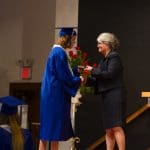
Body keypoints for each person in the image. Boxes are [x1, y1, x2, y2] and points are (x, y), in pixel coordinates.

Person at [39, 27, 84, 150]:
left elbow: (63, 72)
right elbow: (64, 76)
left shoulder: (56, 51)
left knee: (50, 131)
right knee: (50, 130)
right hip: (55, 96)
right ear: (67, 38)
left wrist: (75, 71)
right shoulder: (59, 53)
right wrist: (78, 79)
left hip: (50, 95)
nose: (74, 43)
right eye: (73, 40)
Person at [85, 32, 126, 150]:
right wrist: (86, 77)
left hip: (115, 95)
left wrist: (92, 70)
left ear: (107, 44)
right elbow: (99, 79)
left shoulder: (115, 57)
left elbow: (110, 74)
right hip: (107, 96)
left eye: (99, 43)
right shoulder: (103, 61)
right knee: (109, 128)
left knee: (116, 126)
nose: (97, 45)